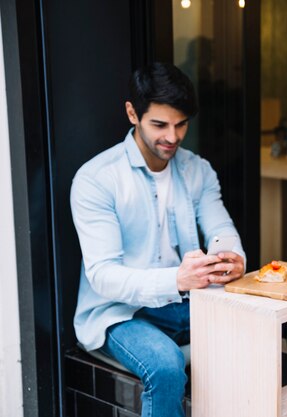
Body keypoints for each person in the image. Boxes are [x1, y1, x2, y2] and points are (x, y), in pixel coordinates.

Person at [71, 62, 245, 417]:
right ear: (132, 113)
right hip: (120, 311)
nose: (173, 136)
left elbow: (220, 229)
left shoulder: (197, 169)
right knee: (165, 368)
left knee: (256, 338)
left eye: (181, 124)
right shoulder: (96, 179)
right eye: (160, 125)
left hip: (184, 301)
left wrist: (230, 256)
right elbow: (103, 276)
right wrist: (176, 280)